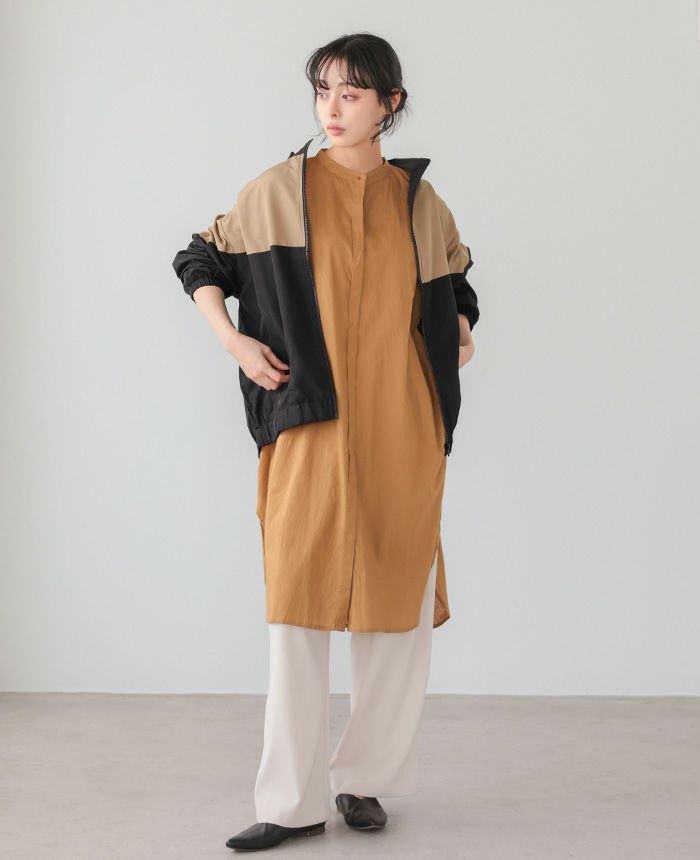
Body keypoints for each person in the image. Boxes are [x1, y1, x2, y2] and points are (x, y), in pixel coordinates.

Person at [172, 32, 479, 853]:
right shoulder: (277, 190)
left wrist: (460, 325)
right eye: (323, 91)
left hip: (402, 427)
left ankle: (364, 781)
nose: (332, 108)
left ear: (390, 103)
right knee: (297, 612)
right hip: (309, 426)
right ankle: (290, 802)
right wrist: (234, 342)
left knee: (395, 616)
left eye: (351, 92)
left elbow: (458, 281)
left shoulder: (421, 204)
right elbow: (200, 259)